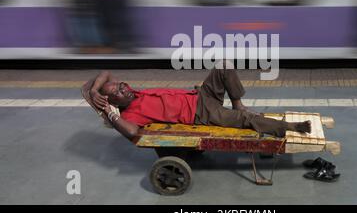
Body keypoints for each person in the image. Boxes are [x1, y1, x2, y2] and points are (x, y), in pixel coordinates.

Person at [87, 62, 311, 140]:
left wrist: (96, 90)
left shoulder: (132, 92)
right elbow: (131, 133)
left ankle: (237, 103)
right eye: (117, 90)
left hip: (201, 95)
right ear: (114, 101)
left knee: (223, 66)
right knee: (245, 119)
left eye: (120, 84)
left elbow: (106, 72)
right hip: (201, 114)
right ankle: (289, 128)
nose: (122, 86)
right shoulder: (130, 113)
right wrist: (108, 111)